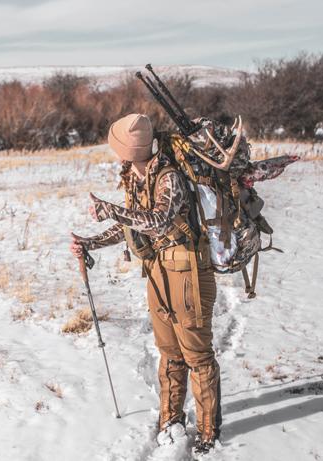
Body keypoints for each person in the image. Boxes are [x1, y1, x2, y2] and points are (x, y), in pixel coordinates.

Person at [71, 113, 221, 457]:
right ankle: (171, 420)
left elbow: (158, 221)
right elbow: (131, 225)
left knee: (196, 353)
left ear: (130, 149)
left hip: (188, 272)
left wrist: (112, 210)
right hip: (157, 271)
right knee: (168, 351)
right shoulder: (136, 176)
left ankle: (209, 432)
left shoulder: (170, 177)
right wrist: (90, 242)